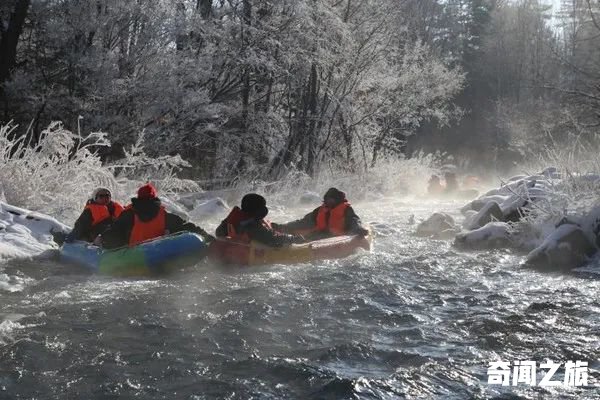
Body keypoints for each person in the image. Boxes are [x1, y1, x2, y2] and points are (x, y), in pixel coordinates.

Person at [100, 183, 214, 249]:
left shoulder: (129, 214)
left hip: (133, 253)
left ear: (139, 197)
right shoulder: (164, 215)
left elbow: (113, 232)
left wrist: (102, 239)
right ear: (154, 198)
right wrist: (209, 238)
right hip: (157, 252)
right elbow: (187, 226)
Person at [275, 187, 368, 240]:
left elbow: (354, 221)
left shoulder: (346, 210)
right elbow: (304, 222)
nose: (328, 202)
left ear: (338, 200)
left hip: (337, 237)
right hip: (321, 235)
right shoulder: (321, 209)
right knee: (300, 235)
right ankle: (278, 232)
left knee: (306, 239)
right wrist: (283, 227)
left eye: (331, 200)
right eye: (327, 199)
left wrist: (359, 229)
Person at [216, 193, 303, 247]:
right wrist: (294, 238)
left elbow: (218, 233)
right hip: (245, 254)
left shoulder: (235, 218)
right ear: (258, 211)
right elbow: (272, 239)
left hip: (231, 247)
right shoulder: (251, 225)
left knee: (272, 226)